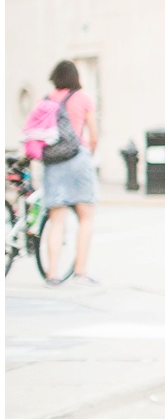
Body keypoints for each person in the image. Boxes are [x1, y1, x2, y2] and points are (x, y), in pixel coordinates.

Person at [25, 60, 100, 285]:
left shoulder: (45, 100)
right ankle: (80, 271)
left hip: (53, 163)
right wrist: (89, 154)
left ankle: (52, 274)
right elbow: (94, 135)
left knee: (56, 221)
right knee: (86, 217)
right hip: (78, 159)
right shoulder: (83, 98)